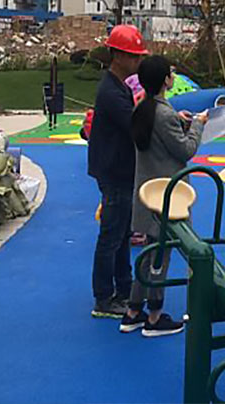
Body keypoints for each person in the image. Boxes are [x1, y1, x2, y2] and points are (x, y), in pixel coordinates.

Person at [121, 55, 206, 337]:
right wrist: (198, 125)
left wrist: (179, 122)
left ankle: (133, 311)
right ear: (165, 80)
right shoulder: (163, 114)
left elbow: (160, 139)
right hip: (167, 196)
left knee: (149, 254)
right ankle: (155, 317)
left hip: (147, 192)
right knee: (161, 257)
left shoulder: (142, 109)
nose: (173, 75)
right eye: (171, 72)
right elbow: (185, 150)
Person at [88, 24, 148, 318]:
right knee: (112, 235)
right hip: (114, 171)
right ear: (119, 56)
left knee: (122, 232)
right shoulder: (111, 92)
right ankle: (104, 297)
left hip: (120, 169)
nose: (138, 61)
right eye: (134, 56)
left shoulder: (119, 86)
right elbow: (135, 126)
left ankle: (123, 287)